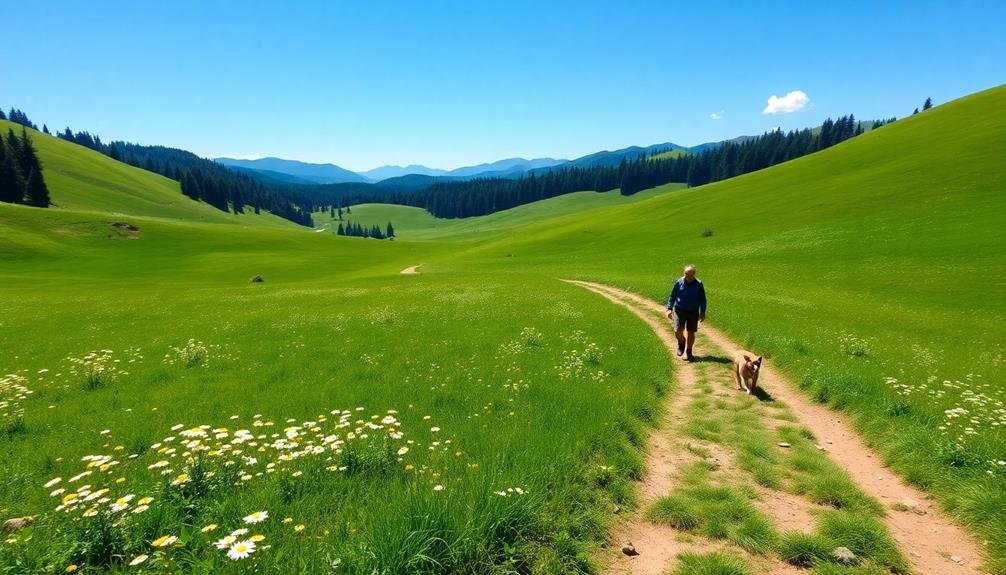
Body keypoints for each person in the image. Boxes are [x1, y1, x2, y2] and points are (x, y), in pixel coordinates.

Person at [665, 264, 707, 361]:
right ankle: (681, 342)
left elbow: (702, 299)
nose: (687, 277)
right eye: (686, 274)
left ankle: (689, 351)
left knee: (691, 332)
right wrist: (669, 308)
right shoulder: (678, 282)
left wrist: (702, 312)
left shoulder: (699, 284)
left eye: (690, 275)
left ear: (694, 275)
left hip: (693, 311)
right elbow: (672, 296)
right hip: (680, 310)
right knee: (677, 331)